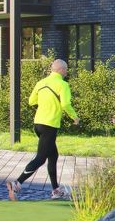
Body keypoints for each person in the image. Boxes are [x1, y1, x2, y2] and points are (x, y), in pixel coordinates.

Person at [7, 59, 79, 200]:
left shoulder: (41, 83)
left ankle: (56, 190)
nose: (66, 71)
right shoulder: (63, 85)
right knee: (40, 158)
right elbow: (65, 104)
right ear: (61, 70)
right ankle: (17, 183)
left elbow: (31, 101)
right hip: (49, 125)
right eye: (65, 69)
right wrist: (75, 117)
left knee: (53, 155)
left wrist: (46, 104)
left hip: (38, 124)